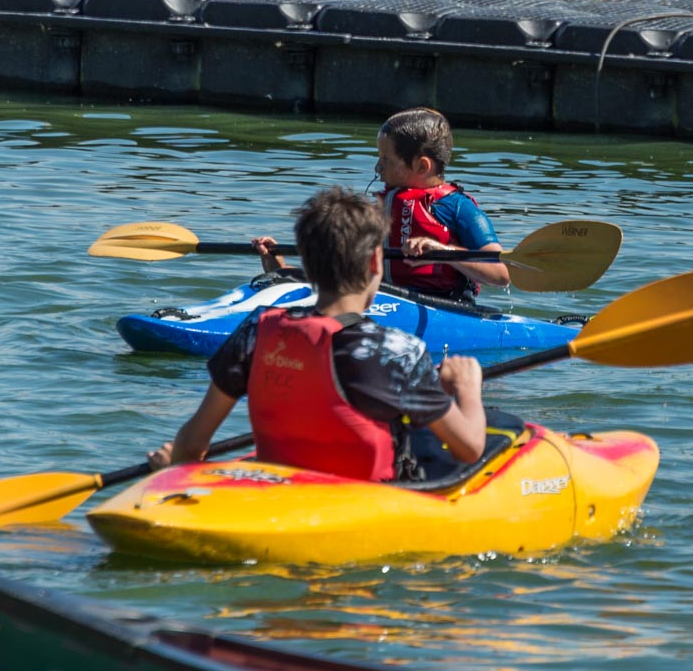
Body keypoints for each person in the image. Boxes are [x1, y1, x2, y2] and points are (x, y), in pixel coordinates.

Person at [149, 186, 488, 481]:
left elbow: (193, 444)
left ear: (306, 265)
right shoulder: (396, 350)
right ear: (374, 263)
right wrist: (466, 387)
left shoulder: (256, 331)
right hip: (362, 504)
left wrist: (175, 470)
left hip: (281, 487)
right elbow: (470, 447)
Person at [255, 107, 509, 304]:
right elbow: (343, 270)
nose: (378, 167)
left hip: (444, 306)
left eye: (386, 159)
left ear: (422, 166)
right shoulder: (380, 205)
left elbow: (501, 275)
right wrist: (284, 269)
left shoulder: (458, 208)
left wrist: (443, 251)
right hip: (382, 296)